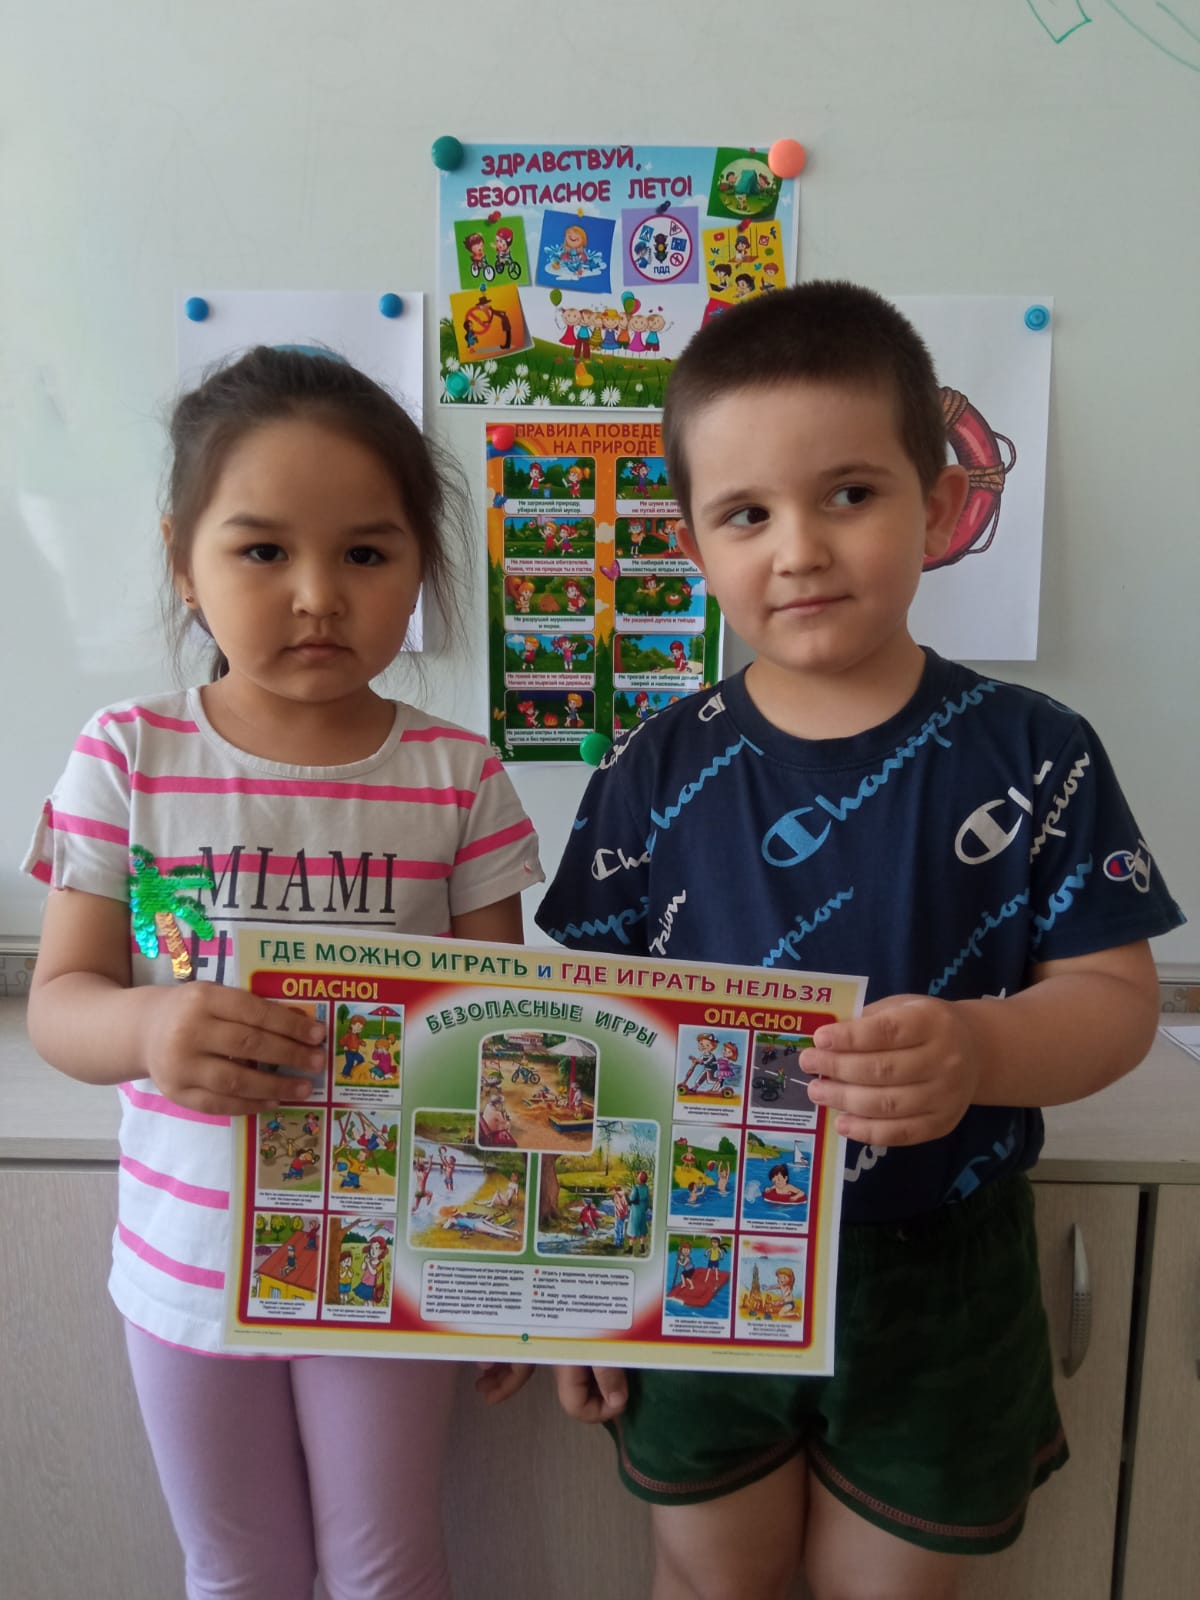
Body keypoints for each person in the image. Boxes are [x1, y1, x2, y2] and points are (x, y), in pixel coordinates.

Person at [536, 283, 1182, 1599]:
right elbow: (578, 1037)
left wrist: (980, 1049)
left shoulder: (1037, 752)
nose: (800, 550)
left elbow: (1116, 997)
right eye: (746, 514)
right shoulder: (651, 767)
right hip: (696, 1247)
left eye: (849, 493)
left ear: (939, 508)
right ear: (693, 544)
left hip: (941, 1270)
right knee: (711, 1578)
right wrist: (577, 1282)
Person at [23, 344, 544, 1600]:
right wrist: (150, 1029)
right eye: (263, 550)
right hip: (185, 1263)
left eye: (366, 552)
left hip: (391, 1253)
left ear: (421, 565)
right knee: (236, 1569)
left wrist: (515, 1275)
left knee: (388, 1566)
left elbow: (505, 1045)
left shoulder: (459, 775)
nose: (317, 595)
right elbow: (60, 1003)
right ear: (180, 558)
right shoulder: (125, 755)